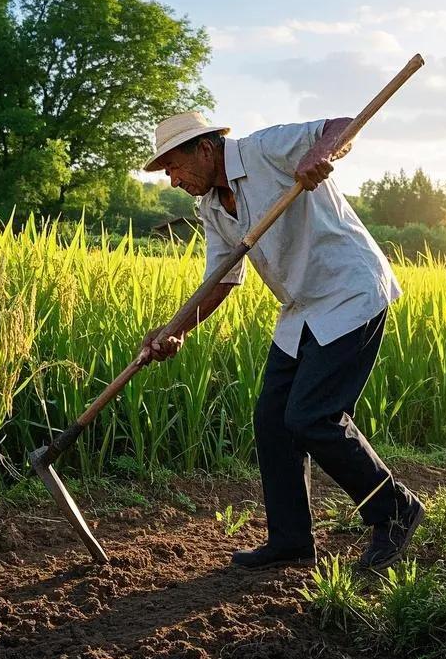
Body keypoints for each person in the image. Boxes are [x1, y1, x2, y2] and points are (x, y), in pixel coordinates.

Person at [139, 110, 425, 570]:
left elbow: (343, 125)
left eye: (173, 166)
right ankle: (291, 539)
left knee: (313, 417)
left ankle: (394, 510)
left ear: (205, 149)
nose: (172, 179)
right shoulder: (212, 206)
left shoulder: (264, 149)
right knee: (273, 422)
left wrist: (318, 154)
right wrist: (174, 331)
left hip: (349, 290)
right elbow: (221, 279)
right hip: (301, 308)